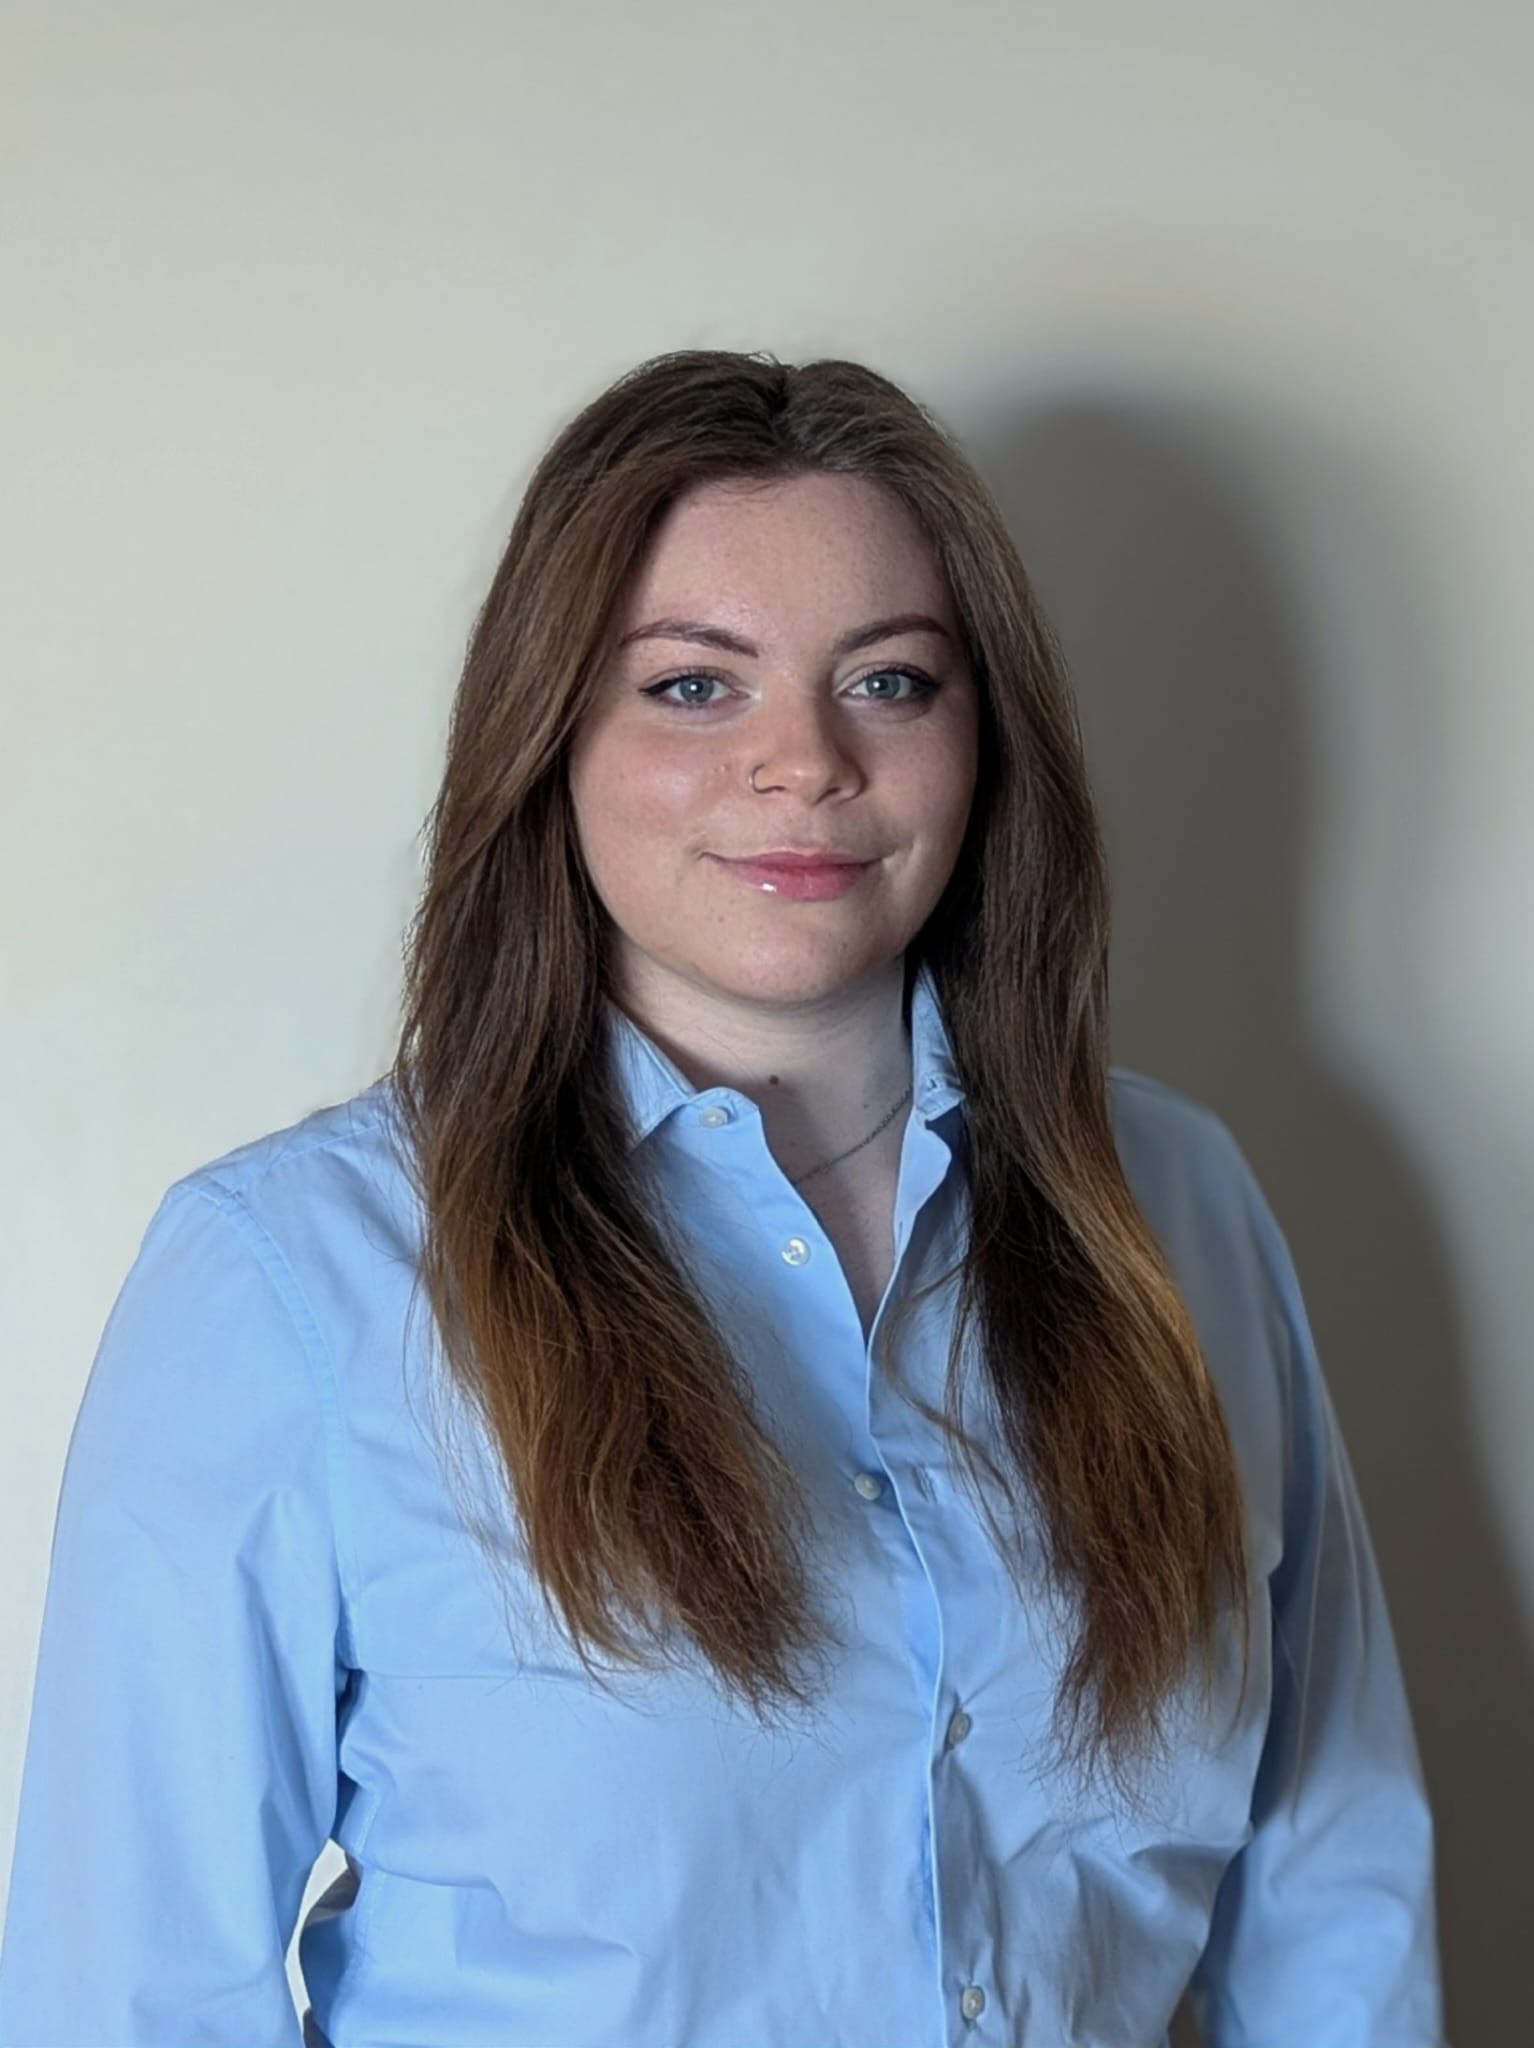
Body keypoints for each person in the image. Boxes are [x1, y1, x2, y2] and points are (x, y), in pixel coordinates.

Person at [0, 349, 1447, 2047]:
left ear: (984, 740)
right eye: (693, 685)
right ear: (549, 734)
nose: (802, 763)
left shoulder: (1178, 1207)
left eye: (889, 681)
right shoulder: (290, 1276)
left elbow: (1331, 1897)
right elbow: (127, 1993)